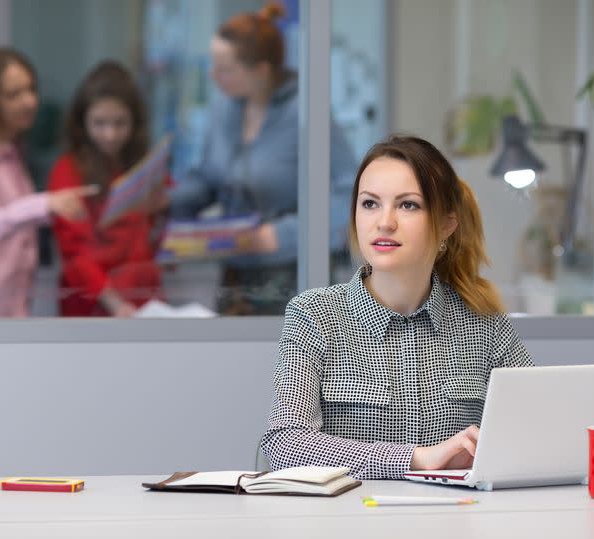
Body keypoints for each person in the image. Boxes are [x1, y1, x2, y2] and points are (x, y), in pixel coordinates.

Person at [260, 135, 534, 479]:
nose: (384, 222)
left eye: (408, 205)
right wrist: (414, 460)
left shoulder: (486, 325)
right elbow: (285, 444)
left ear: (447, 224)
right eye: (370, 204)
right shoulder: (314, 315)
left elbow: (534, 432)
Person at [169, 1, 356, 315]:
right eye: (213, 66)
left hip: (291, 275)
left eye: (225, 69)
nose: (213, 77)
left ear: (261, 71)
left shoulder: (305, 113)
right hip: (235, 277)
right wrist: (164, 202)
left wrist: (281, 235)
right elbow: (209, 178)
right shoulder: (224, 108)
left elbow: (350, 194)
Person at [0, 48, 92, 318]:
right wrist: (44, 204)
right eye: (13, 94)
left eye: (31, 90)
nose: (29, 101)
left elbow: (16, 218)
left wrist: (57, 207)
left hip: (13, 300)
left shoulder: (12, 149)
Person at [48, 61, 169, 317]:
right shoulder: (67, 170)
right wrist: (114, 302)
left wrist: (163, 208)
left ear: (135, 123)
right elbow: (75, 255)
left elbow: (160, 232)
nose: (110, 134)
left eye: (120, 123)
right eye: (99, 123)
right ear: (83, 123)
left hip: (144, 300)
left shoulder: (145, 165)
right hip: (91, 305)